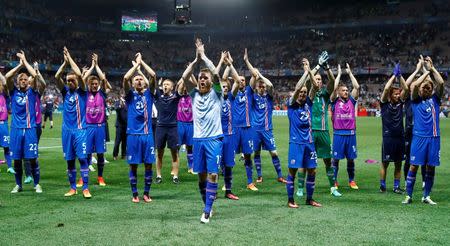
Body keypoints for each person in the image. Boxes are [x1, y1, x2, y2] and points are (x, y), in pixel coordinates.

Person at [180, 39, 223, 223]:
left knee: (213, 174)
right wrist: (196, 60)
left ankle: (206, 210)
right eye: (201, 78)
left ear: (210, 81)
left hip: (214, 139)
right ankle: (208, 204)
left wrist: (204, 56)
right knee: (201, 176)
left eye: (205, 78)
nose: (202, 79)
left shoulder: (217, 93)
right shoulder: (193, 94)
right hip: (198, 139)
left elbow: (216, 73)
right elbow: (184, 76)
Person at [297, 52, 342, 197]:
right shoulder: (309, 94)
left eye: (320, 80)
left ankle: (333, 187)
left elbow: (333, 80)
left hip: (323, 131)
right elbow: (308, 79)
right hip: (310, 132)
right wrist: (315, 67)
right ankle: (299, 188)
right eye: (316, 79)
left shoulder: (325, 94)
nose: (318, 81)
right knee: (305, 161)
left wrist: (326, 67)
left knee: (328, 161)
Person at [403, 56, 444, 205]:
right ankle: (408, 195)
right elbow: (412, 87)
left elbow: (441, 82)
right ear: (420, 90)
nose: (426, 89)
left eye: (428, 87)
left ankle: (426, 196)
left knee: (430, 167)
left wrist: (432, 68)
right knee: (413, 166)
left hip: (434, 138)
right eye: (423, 87)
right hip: (419, 138)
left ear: (432, 90)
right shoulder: (415, 100)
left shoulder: (435, 100)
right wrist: (424, 72)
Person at [243, 48, 286, 184]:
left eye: (263, 87)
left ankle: (280, 175)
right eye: (260, 86)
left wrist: (260, 76)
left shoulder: (269, 97)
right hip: (255, 130)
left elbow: (271, 85)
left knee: (274, 153)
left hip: (267, 130)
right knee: (256, 153)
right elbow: (251, 82)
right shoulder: (253, 96)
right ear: (256, 88)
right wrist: (248, 64)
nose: (262, 88)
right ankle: (259, 176)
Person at [55, 47, 91, 199]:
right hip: (66, 131)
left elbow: (78, 74)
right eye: (68, 80)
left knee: (82, 159)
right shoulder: (65, 93)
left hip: (80, 130)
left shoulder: (82, 91)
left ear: (77, 81)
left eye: (72, 80)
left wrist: (69, 57)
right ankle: (72, 188)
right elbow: (57, 77)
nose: (69, 82)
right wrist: (64, 64)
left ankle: (86, 188)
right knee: (69, 161)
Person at [285, 59, 321, 208]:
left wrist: (311, 70)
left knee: (312, 171)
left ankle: (309, 199)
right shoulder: (292, 104)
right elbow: (299, 85)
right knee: (292, 172)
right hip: (296, 143)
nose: (302, 94)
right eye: (300, 92)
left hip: (309, 143)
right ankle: (290, 200)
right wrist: (306, 72)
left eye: (305, 93)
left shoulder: (309, 104)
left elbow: (315, 87)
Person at [5, 50, 42, 194]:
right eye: (21, 79)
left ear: (28, 82)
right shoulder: (13, 92)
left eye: (25, 79)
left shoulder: (32, 92)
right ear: (17, 82)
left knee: (32, 159)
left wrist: (25, 61)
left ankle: (36, 184)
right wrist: (19, 66)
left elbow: (35, 75)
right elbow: (7, 76)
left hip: (30, 128)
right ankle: (18, 185)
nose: (23, 81)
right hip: (15, 129)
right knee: (17, 160)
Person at [123, 52, 156, 203]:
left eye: (141, 79)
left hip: (147, 135)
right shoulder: (129, 96)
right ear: (133, 83)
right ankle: (135, 194)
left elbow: (153, 75)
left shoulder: (149, 95)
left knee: (149, 164)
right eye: (136, 79)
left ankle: (146, 193)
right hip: (133, 136)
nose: (139, 81)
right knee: (134, 165)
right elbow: (125, 78)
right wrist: (136, 65)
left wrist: (141, 64)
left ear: (144, 83)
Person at [78, 53, 111, 187]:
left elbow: (104, 81)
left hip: (100, 127)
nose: (95, 85)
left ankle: (100, 177)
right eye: (92, 83)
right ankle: (83, 177)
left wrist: (96, 66)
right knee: (86, 154)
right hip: (88, 127)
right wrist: (90, 68)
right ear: (89, 84)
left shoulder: (102, 93)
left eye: (96, 84)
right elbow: (81, 81)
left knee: (101, 153)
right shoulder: (84, 94)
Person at [330, 63, 360, 192]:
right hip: (338, 134)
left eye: (347, 90)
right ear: (338, 92)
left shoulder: (351, 101)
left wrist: (350, 73)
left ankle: (351, 180)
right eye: (344, 90)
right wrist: (339, 74)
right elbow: (334, 86)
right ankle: (334, 181)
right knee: (335, 160)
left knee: (351, 160)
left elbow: (357, 87)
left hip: (351, 134)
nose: (346, 92)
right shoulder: (334, 101)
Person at [229, 51, 257, 191]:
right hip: (234, 129)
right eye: (239, 80)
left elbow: (255, 76)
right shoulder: (232, 94)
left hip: (247, 128)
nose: (241, 82)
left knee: (247, 156)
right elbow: (236, 81)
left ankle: (250, 182)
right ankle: (227, 183)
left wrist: (246, 61)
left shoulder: (249, 92)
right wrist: (231, 65)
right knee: (229, 157)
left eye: (243, 81)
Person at [379, 63, 408, 194]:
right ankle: (382, 186)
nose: (398, 95)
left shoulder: (401, 103)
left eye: (398, 94)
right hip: (388, 137)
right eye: (395, 94)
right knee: (385, 163)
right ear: (391, 95)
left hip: (400, 137)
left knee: (398, 163)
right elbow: (386, 89)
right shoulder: (384, 103)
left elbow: (406, 89)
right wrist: (393, 76)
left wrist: (400, 76)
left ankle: (396, 187)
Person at [154, 76, 183, 184]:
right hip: (160, 127)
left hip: (173, 127)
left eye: (168, 84)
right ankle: (158, 175)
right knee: (159, 153)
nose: (165, 86)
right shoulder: (158, 96)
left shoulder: (175, 97)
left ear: (172, 87)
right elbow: (151, 82)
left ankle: (175, 176)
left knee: (174, 153)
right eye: (164, 84)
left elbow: (183, 81)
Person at [176, 76, 195, 174]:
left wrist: (190, 75)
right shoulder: (178, 97)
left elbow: (194, 85)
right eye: (183, 87)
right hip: (180, 123)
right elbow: (178, 85)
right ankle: (175, 167)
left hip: (190, 124)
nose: (184, 89)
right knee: (177, 146)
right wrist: (184, 77)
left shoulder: (192, 96)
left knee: (190, 146)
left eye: (186, 87)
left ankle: (191, 167)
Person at [0, 69, 14, 174]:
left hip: (3, 124)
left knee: (6, 147)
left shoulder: (4, 95)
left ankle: (9, 166)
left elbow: (5, 82)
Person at [113, 90, 127, 160]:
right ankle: (115, 155)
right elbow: (116, 109)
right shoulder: (117, 102)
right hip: (119, 125)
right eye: (122, 93)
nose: (123, 95)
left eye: (124, 93)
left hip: (126, 125)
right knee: (117, 141)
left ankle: (123, 155)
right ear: (120, 95)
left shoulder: (128, 102)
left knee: (125, 141)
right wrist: (120, 105)